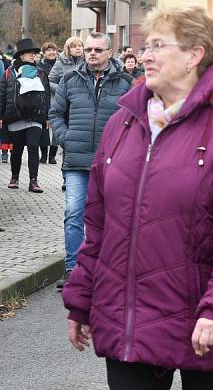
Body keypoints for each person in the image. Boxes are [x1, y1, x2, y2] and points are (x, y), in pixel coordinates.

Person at [62, 5, 213, 389]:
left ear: (194, 55)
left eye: (159, 45)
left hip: (208, 323)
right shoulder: (123, 122)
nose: (145, 55)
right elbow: (99, 226)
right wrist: (82, 297)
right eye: (146, 46)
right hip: (132, 321)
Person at [49, 32, 134, 291]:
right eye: (88, 49)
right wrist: (66, 138)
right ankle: (74, 269)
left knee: (112, 217)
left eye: (98, 49)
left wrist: (125, 147)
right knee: (74, 212)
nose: (92, 54)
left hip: (113, 163)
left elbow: (137, 118)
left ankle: (109, 270)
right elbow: (55, 113)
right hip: (76, 160)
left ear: (110, 52)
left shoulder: (126, 83)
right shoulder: (69, 79)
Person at [0, 38, 51, 192]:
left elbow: (46, 95)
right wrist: (1, 116)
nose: (33, 55)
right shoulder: (9, 72)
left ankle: (33, 181)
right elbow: (2, 93)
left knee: (34, 147)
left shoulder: (41, 73)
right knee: (17, 149)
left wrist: (46, 116)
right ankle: (14, 177)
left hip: (34, 117)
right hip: (15, 116)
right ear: (21, 55)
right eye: (30, 53)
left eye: (35, 53)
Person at [38, 41, 60, 164]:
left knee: (56, 128)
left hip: (57, 98)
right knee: (44, 127)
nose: (52, 52)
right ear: (44, 52)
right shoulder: (40, 67)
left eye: (53, 50)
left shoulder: (60, 65)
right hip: (43, 99)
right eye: (49, 50)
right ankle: (44, 155)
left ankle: (52, 155)